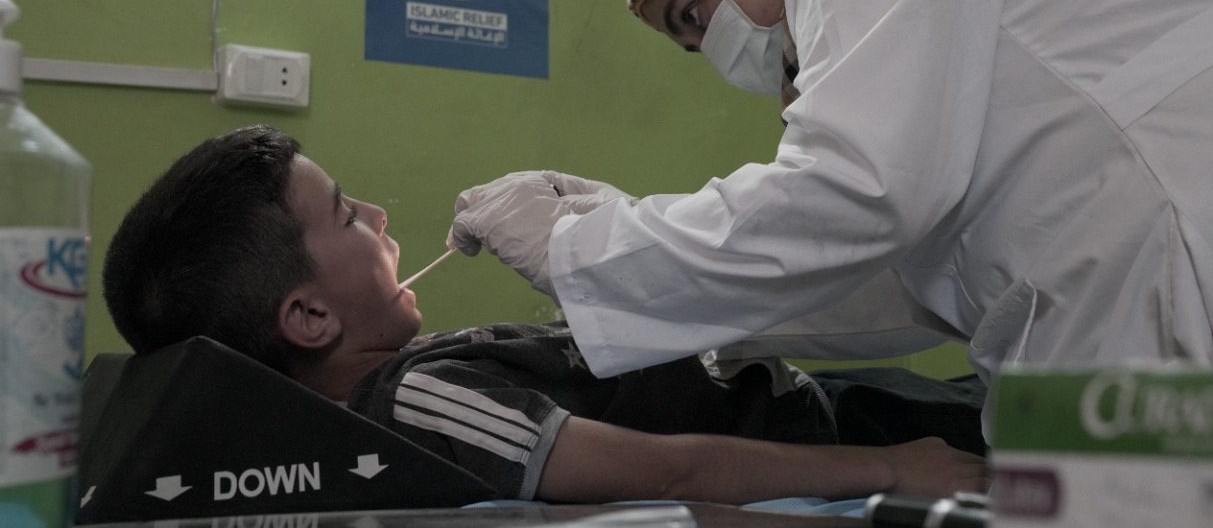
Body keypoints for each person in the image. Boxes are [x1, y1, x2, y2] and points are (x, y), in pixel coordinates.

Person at [449, 0, 1213, 432]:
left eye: (692, 14)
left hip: (1162, 251)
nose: (713, 50)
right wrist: (645, 266)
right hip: (1124, 272)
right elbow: (898, 274)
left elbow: (867, 186)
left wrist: (588, 252)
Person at [101, 125, 986, 505]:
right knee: (1069, 426)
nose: (376, 216)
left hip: (826, 396)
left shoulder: (412, 383)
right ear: (305, 315)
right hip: (836, 423)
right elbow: (669, 474)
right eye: (345, 213)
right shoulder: (411, 401)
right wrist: (893, 467)